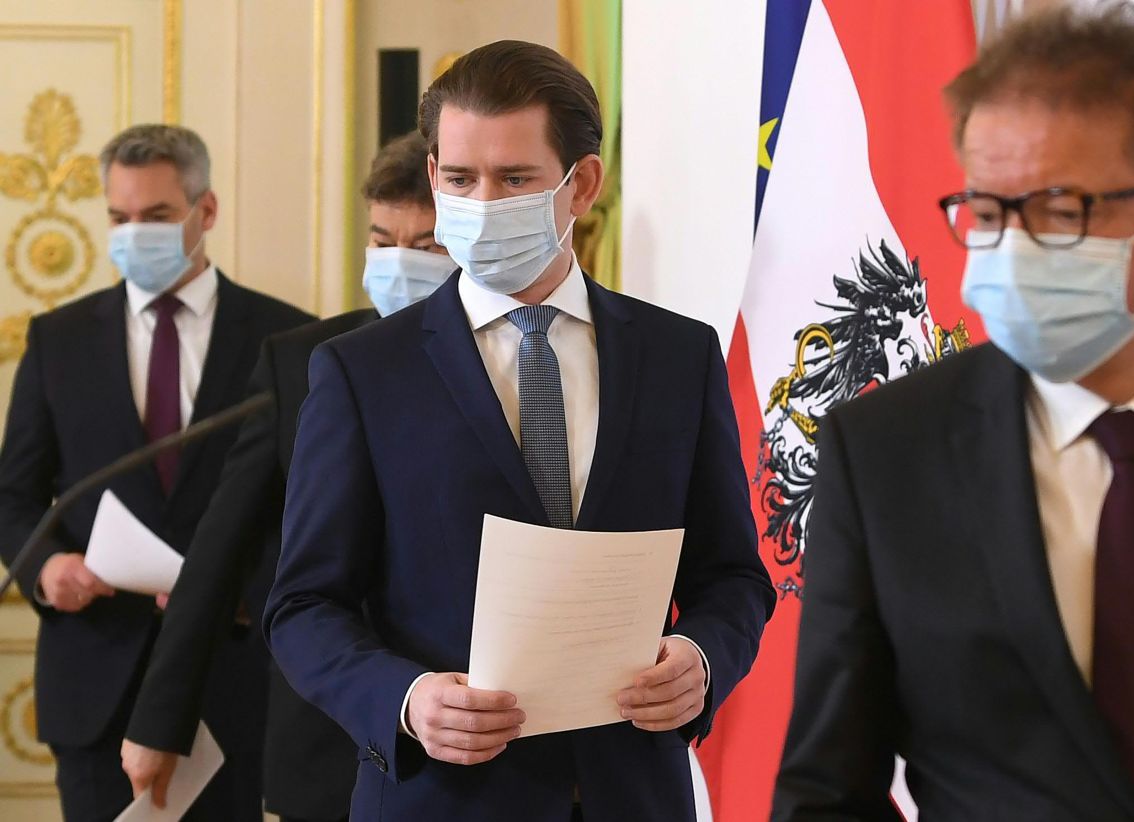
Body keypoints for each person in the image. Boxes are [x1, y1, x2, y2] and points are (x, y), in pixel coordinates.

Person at [772, 3, 1134, 821]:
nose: (1009, 249)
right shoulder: (885, 452)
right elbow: (828, 792)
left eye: (1059, 208)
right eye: (985, 211)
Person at [264, 40, 775, 822]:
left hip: (631, 793)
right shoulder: (361, 373)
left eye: (514, 179)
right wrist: (405, 698)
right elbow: (303, 605)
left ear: (583, 185)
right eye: (462, 179)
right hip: (440, 799)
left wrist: (702, 660)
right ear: (433, 177)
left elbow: (733, 577)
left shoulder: (679, 356)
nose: (483, 202)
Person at [118, 131, 452, 822]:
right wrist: (159, 722)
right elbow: (218, 552)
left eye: (425, 248)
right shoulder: (304, 362)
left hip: (470, 733)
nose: (397, 264)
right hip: (325, 740)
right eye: (382, 240)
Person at [0, 124, 313, 821]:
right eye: (119, 218)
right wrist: (48, 570)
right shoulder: (58, 340)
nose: (133, 233)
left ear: (206, 212)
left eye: (157, 217)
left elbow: (312, 508)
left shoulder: (288, 338)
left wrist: (239, 591)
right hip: (96, 679)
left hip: (235, 676)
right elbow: (14, 495)